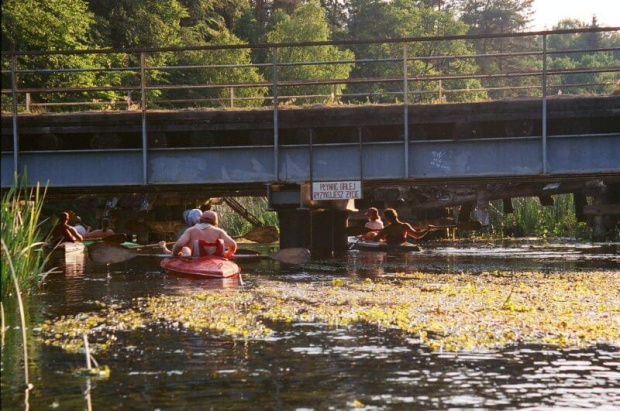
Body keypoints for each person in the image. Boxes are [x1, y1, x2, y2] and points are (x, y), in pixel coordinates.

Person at [170, 210, 237, 258]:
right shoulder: (219, 231)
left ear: (200, 220)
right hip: (216, 263)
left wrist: (175, 254)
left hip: (195, 262)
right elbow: (233, 245)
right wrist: (228, 254)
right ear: (215, 222)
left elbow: (179, 245)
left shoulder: (190, 230)